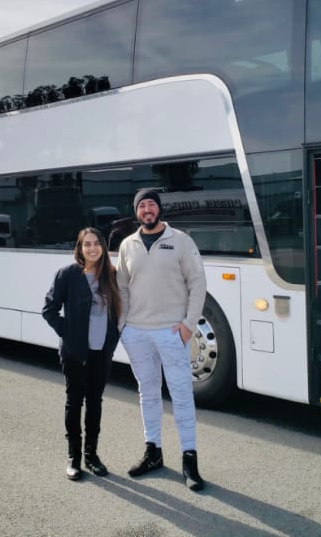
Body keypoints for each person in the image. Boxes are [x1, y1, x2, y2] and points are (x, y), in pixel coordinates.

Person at [116, 189, 207, 491]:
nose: (147, 209)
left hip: (171, 332)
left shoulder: (181, 241)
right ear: (136, 212)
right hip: (136, 332)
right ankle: (152, 451)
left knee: (182, 395)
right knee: (148, 392)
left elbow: (197, 283)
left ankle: (189, 460)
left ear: (159, 209)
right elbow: (122, 289)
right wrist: (122, 327)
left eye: (151, 204)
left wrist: (188, 326)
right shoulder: (127, 245)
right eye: (142, 205)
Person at [43, 227, 121, 480]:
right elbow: (49, 309)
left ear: (103, 247)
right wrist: (68, 333)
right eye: (86, 244)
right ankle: (74, 457)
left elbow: (119, 312)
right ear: (80, 248)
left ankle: (92, 456)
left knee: (95, 402)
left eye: (96, 243)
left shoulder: (111, 275)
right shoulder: (68, 274)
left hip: (101, 351)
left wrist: (112, 340)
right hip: (75, 351)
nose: (92, 248)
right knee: (74, 401)